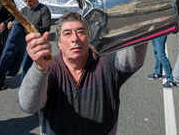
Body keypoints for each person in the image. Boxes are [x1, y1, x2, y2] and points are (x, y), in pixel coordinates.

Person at [19, 11, 148, 134]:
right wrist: (40, 68)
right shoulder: (50, 69)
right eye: (67, 34)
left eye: (80, 32)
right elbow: (29, 106)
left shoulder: (105, 63)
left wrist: (139, 25)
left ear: (89, 37)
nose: (75, 38)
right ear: (59, 43)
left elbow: (132, 60)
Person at [0, 0, 51, 88]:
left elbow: (46, 27)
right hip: (24, 43)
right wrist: (10, 23)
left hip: (37, 44)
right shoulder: (24, 10)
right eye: (26, 1)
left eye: (30, 1)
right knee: (25, 67)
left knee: (35, 68)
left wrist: (30, 28)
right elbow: (16, 21)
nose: (27, 3)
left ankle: (36, 90)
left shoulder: (43, 10)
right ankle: (24, 90)